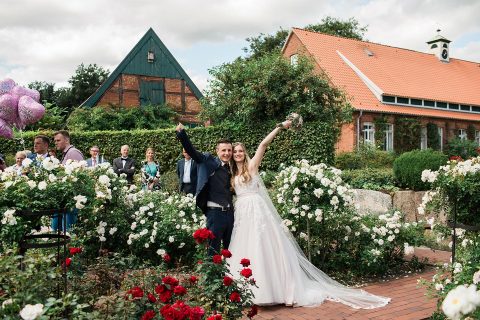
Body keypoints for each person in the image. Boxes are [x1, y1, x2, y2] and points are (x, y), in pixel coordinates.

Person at [228, 121, 390, 308]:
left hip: (256, 211)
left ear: (244, 153)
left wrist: (280, 126)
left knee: (262, 246)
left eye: (240, 151)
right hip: (242, 213)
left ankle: (274, 290)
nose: (238, 154)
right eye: (235, 151)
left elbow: (263, 144)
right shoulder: (231, 172)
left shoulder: (252, 166)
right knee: (245, 246)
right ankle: (245, 289)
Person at [176, 123, 234, 255]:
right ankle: (212, 275)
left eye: (229, 150)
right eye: (224, 150)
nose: (227, 153)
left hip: (230, 214)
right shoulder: (208, 160)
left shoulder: (233, 167)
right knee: (213, 251)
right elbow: (192, 151)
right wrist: (182, 134)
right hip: (215, 214)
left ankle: (227, 275)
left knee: (230, 250)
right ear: (217, 151)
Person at [52, 130, 84, 231]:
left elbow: (80, 174)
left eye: (58, 140)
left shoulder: (73, 152)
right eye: (55, 141)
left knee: (69, 229)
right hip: (65, 196)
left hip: (72, 197)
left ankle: (71, 246)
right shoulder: (66, 153)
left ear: (66, 140)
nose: (56, 143)